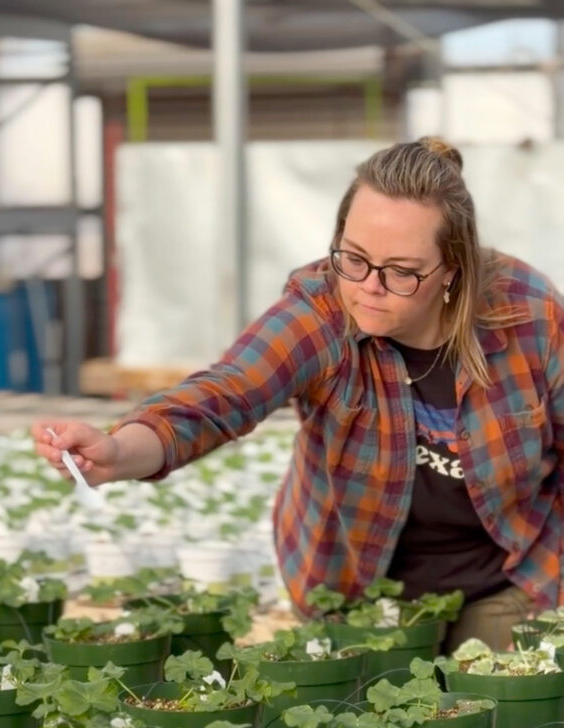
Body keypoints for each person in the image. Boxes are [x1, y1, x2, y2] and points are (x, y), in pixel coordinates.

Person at [32, 136, 564, 653]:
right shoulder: (320, 314)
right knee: (377, 708)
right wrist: (120, 450)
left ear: (452, 270)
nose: (368, 286)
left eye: (401, 272)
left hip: (507, 580)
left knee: (497, 703)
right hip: (355, 591)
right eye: (354, 257)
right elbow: (224, 395)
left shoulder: (528, 313)